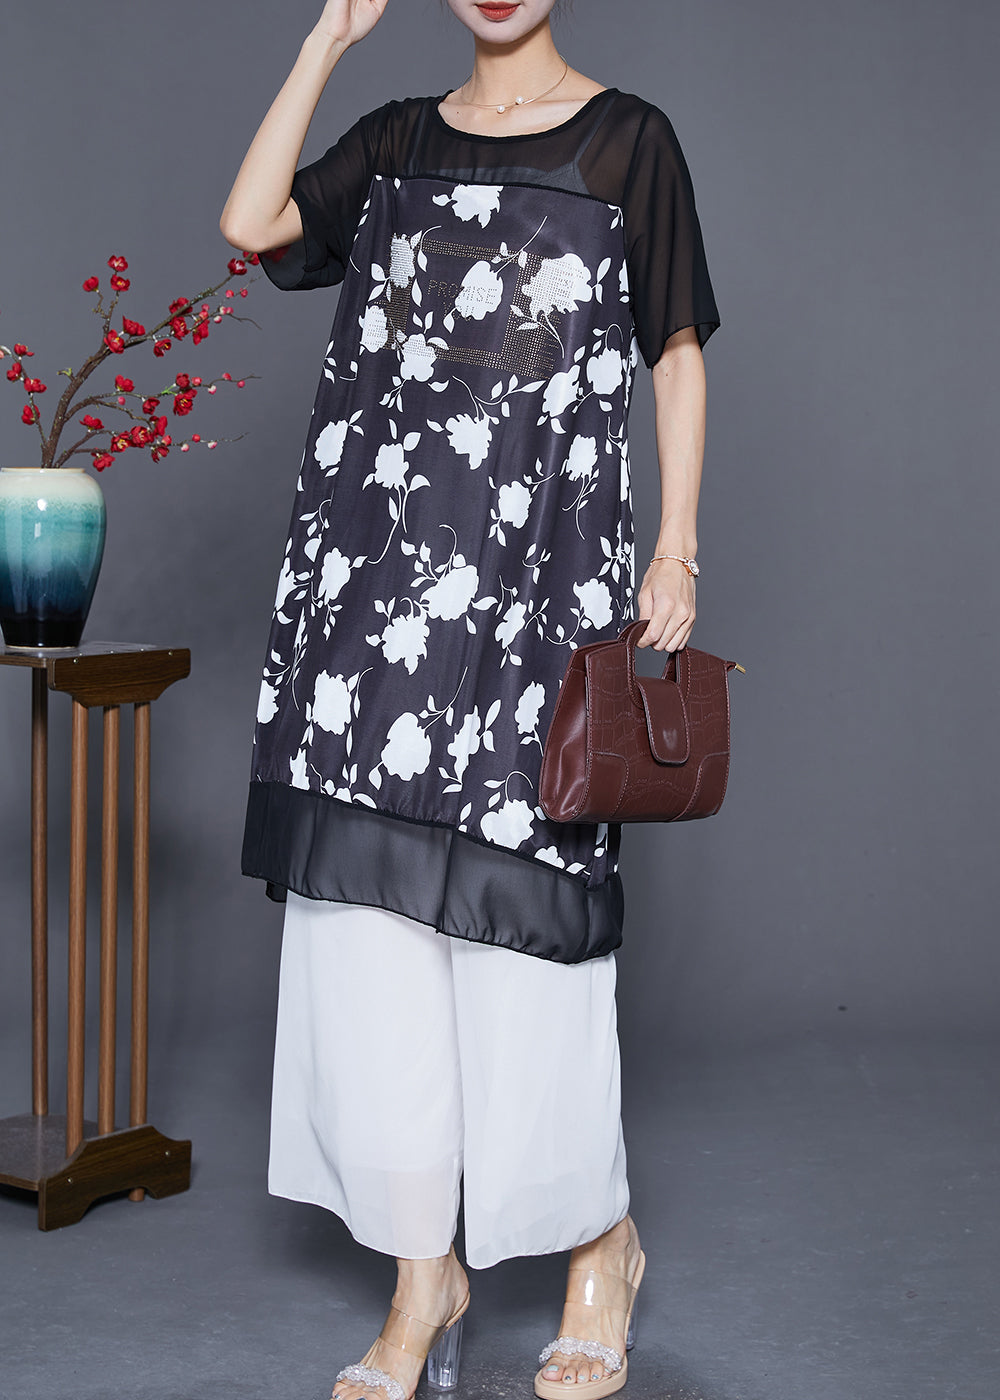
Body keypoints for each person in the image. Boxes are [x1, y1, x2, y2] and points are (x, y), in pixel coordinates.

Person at [221, 1, 720, 1396]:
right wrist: (328, 40)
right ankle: (421, 1277)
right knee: (371, 935)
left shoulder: (629, 144)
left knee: (526, 931)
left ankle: (598, 1246)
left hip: (539, 588)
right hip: (377, 593)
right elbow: (252, 224)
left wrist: (676, 544)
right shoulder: (394, 143)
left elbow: (676, 349)